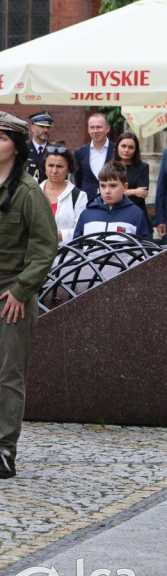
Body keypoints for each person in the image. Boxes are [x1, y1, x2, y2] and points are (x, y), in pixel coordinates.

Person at [0, 111, 58, 479]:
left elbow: (45, 247)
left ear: (17, 147)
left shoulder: (28, 191)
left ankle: (4, 448)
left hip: (11, 291)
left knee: (8, 374)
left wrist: (22, 290)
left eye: (2, 137)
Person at [74, 162, 151, 239]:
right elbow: (76, 244)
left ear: (125, 187)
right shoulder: (87, 214)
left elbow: (144, 244)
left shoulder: (136, 214)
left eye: (113, 186)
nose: (107, 191)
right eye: (103, 186)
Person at [39, 143, 86, 243]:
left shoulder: (79, 196)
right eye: (50, 165)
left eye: (59, 166)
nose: (54, 170)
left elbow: (82, 229)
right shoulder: (33, 192)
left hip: (65, 251)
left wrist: (61, 235)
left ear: (69, 169)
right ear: (44, 166)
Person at [73, 113, 115, 202]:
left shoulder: (117, 150)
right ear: (88, 129)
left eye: (99, 127)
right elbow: (78, 180)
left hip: (111, 200)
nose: (95, 131)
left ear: (107, 129)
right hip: (87, 201)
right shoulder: (80, 152)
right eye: (92, 127)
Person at [111, 132, 150, 220]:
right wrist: (134, 192)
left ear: (136, 150)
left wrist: (120, 192)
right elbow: (110, 193)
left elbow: (141, 195)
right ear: (117, 147)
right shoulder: (110, 167)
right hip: (116, 212)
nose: (126, 150)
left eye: (131, 147)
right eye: (123, 146)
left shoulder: (143, 167)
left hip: (137, 213)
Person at [26, 110, 55, 182]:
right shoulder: (23, 149)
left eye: (48, 127)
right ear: (32, 128)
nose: (45, 130)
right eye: (42, 126)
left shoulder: (54, 151)